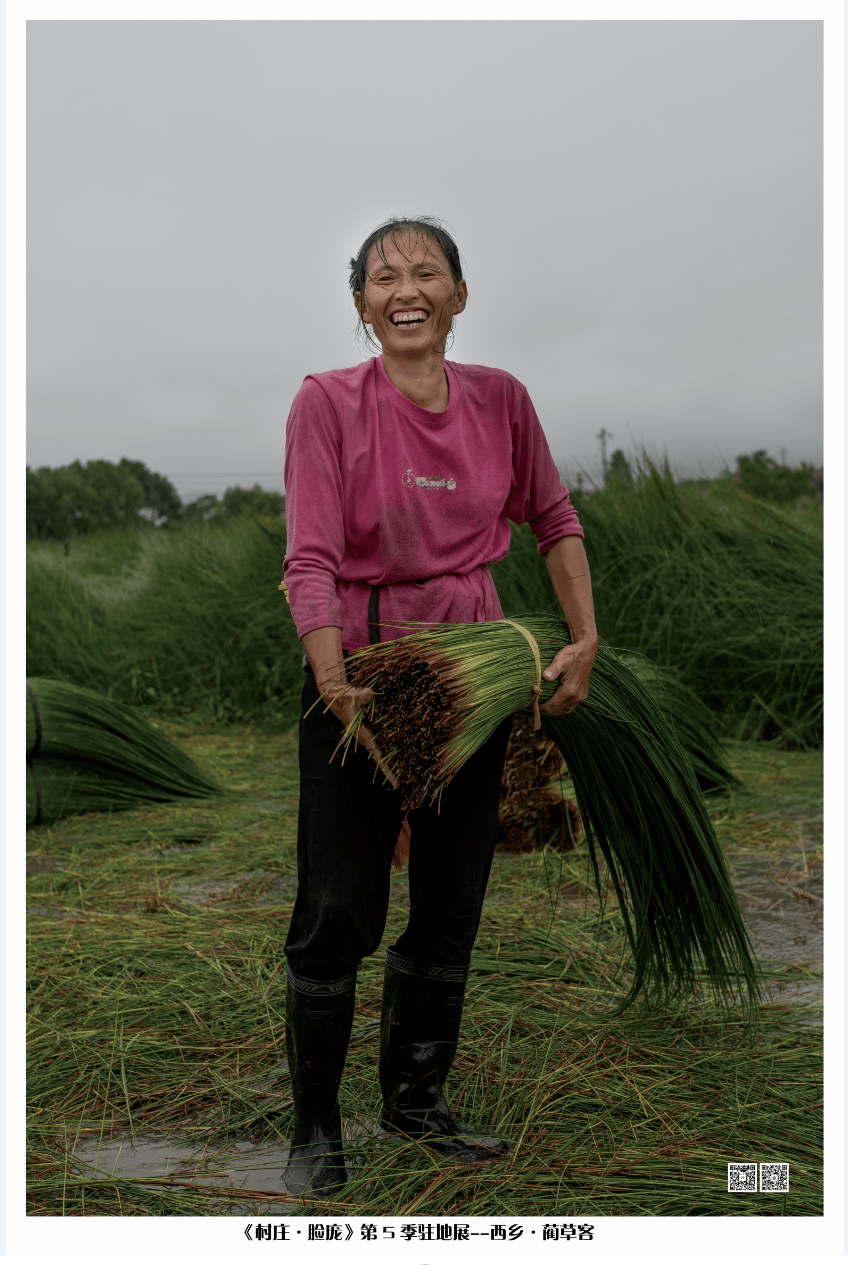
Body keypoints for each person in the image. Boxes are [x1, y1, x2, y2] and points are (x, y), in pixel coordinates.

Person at [282, 216, 598, 1196]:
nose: (404, 287)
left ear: (459, 295)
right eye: (382, 276)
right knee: (339, 907)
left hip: (479, 680)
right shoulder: (327, 403)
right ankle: (315, 1129)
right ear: (360, 306)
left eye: (425, 271)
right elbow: (311, 558)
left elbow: (552, 518)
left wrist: (583, 637)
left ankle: (415, 1104)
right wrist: (336, 684)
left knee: (449, 905)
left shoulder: (501, 401)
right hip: (367, 683)